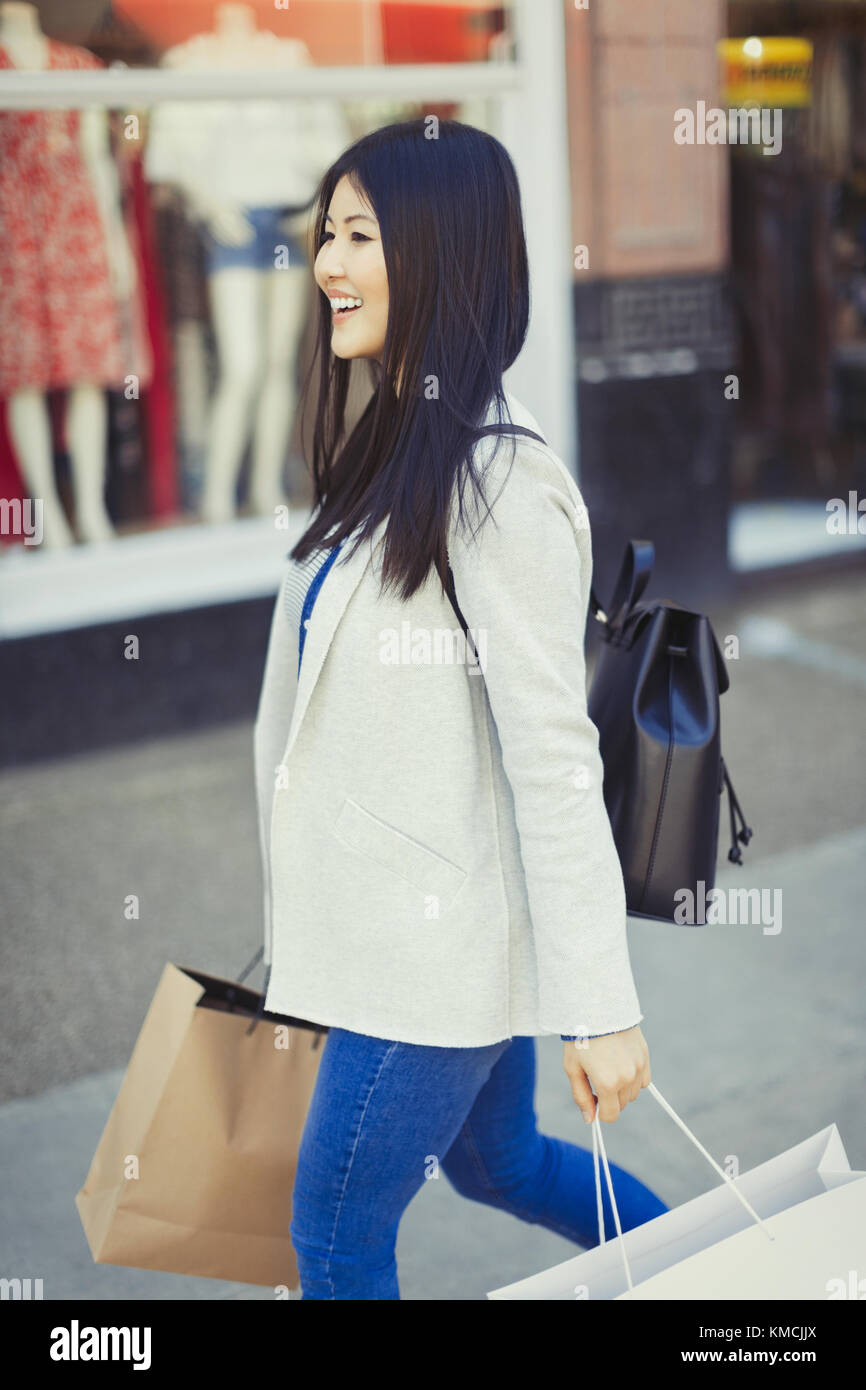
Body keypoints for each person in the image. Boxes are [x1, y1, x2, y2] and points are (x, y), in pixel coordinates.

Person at [252, 118, 667, 1301]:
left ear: (442, 250)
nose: (326, 265)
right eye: (324, 235)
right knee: (502, 1162)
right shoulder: (393, 443)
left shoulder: (497, 480)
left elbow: (550, 754)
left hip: (423, 955)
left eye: (359, 236)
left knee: (332, 1228)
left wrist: (599, 1008)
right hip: (394, 930)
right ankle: (725, 1289)